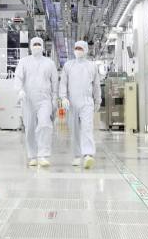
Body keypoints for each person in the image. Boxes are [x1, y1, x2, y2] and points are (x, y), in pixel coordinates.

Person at [15, 37, 58, 167]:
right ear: (30, 46)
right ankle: (33, 155)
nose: (37, 46)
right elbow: (18, 77)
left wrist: (55, 98)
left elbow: (55, 82)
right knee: (29, 128)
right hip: (28, 99)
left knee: (45, 123)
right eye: (35, 44)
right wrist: (19, 90)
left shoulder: (49, 63)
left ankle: (43, 155)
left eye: (39, 44)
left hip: (45, 99)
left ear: (43, 46)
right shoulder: (24, 62)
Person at [59, 41, 101, 169]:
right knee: (75, 129)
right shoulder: (68, 65)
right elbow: (63, 83)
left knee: (87, 127)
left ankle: (88, 154)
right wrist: (63, 97)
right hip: (71, 103)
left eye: (80, 48)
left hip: (87, 102)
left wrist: (98, 100)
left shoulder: (92, 66)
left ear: (86, 50)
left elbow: (96, 85)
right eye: (76, 48)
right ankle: (77, 155)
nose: (78, 50)